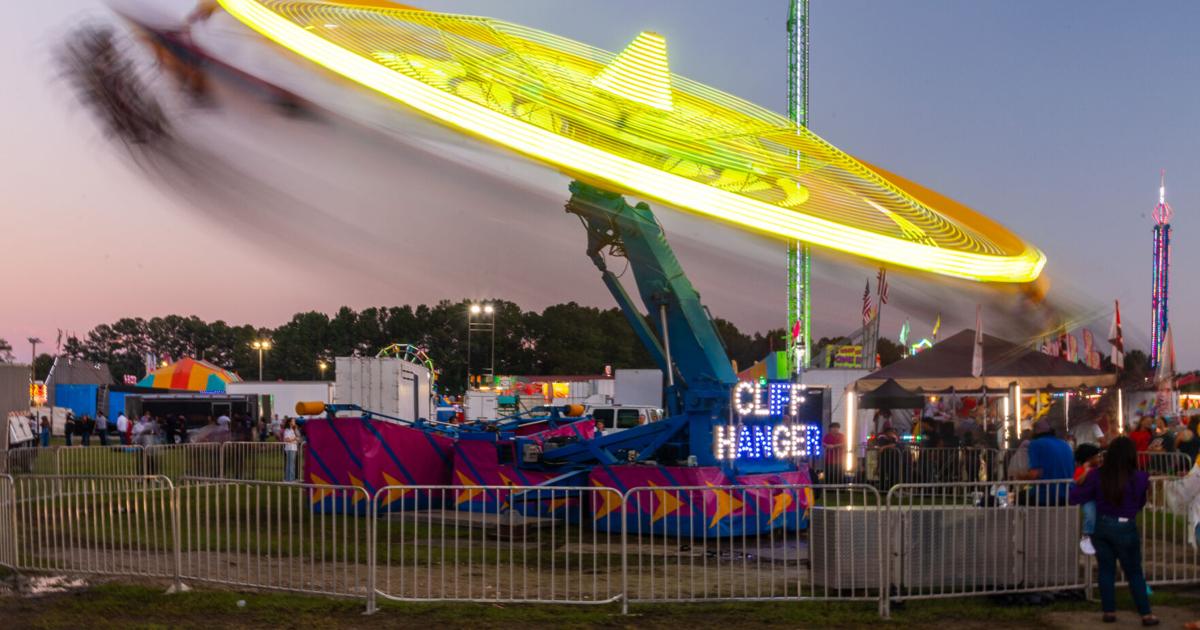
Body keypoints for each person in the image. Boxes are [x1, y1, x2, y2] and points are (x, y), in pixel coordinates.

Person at [1070, 437, 1157, 626]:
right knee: (1134, 571)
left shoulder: (1097, 475)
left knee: (1106, 569)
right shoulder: (1141, 477)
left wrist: (1080, 479)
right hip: (1126, 526)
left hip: (1101, 526)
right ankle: (1146, 614)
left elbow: (1076, 496)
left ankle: (1108, 611)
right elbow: (1140, 503)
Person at [1019, 419, 1074, 505]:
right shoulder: (1064, 444)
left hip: (1046, 495)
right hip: (1068, 494)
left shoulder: (1035, 444)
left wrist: (1020, 477)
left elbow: (1034, 474)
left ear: (1035, 432)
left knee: (1019, 498)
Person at [1074, 443, 1103, 556]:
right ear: (1089, 459)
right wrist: (1086, 471)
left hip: (1099, 497)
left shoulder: (1099, 469)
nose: (1099, 458)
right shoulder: (1081, 470)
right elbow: (1078, 481)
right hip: (1088, 498)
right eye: (1097, 456)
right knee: (1090, 512)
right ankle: (1087, 534)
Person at [282, 418, 300, 482]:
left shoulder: (294, 430)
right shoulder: (287, 430)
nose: (294, 422)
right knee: (290, 464)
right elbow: (286, 439)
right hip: (289, 448)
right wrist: (294, 438)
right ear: (290, 422)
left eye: (294, 421)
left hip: (294, 448)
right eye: (293, 421)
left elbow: (299, 438)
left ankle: (290, 478)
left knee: (292, 464)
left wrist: (295, 438)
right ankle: (289, 479)